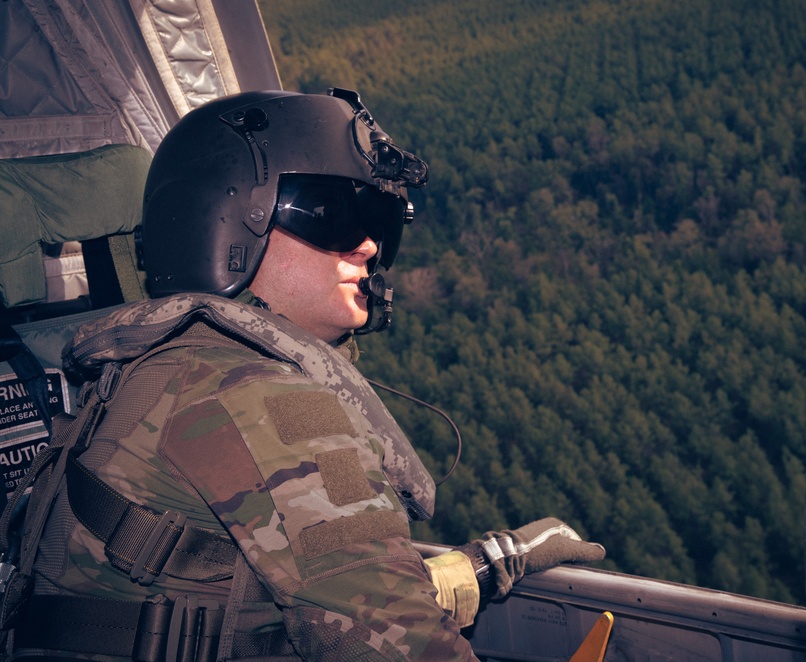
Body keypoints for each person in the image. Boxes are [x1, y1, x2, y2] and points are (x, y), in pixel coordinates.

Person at [9, 89, 604, 660]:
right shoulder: (260, 397)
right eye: (333, 215)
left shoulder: (165, 366)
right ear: (231, 224)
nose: (370, 246)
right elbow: (399, 651)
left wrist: (477, 568)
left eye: (380, 219)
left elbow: (267, 584)